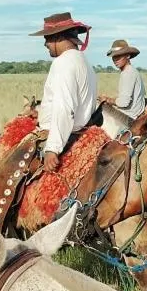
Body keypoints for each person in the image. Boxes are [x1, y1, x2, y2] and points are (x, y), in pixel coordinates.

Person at [28, 12, 98, 172]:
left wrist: (52, 148)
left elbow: (65, 106)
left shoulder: (63, 62)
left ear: (58, 37)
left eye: (47, 38)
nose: (45, 44)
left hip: (62, 139)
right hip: (77, 133)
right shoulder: (84, 61)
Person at [98, 39, 146, 118]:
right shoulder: (131, 70)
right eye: (114, 56)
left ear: (128, 56)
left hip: (130, 117)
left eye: (119, 56)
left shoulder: (128, 73)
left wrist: (107, 100)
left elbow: (123, 103)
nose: (115, 60)